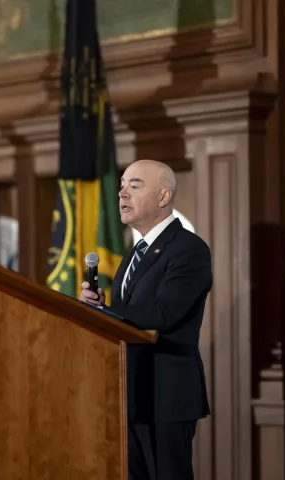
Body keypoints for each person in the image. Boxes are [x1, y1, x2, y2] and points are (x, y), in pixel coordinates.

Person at [80, 159, 212, 480]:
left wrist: (107, 312)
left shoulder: (188, 249)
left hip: (166, 398)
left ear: (164, 197)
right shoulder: (132, 255)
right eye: (122, 185)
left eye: (134, 186)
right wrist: (98, 307)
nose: (122, 194)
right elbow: (131, 315)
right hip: (130, 394)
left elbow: (164, 314)